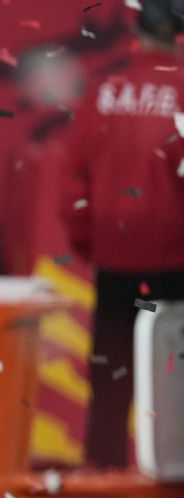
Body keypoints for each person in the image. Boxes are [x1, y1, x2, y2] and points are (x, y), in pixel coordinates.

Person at [63, 0, 184, 469]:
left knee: (111, 388)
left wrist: (96, 247)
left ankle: (103, 481)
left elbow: (73, 187)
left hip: (117, 271)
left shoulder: (104, 92)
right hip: (173, 274)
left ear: (137, 27)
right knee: (175, 382)